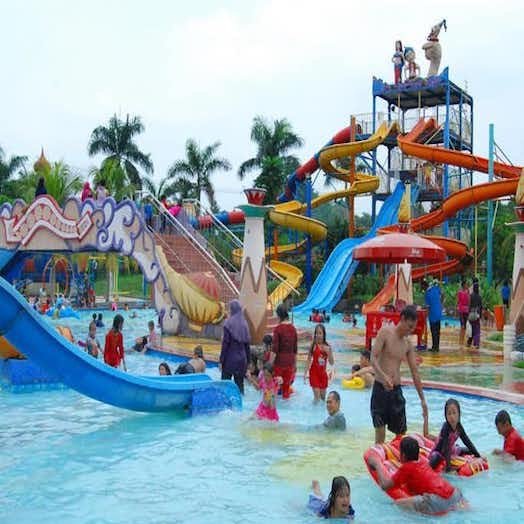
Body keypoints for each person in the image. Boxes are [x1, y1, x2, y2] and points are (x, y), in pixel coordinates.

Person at [370, 305, 428, 443]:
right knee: (380, 431)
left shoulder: (407, 344)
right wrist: (383, 376)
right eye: (409, 326)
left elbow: (415, 372)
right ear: (402, 319)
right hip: (380, 388)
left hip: (396, 391)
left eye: (413, 328)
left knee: (401, 433)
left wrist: (422, 399)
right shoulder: (385, 333)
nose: (411, 330)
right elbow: (373, 358)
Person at [367, 436, 467, 515]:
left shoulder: (406, 468)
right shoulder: (423, 463)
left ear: (403, 455)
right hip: (455, 494)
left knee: (397, 504)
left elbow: (384, 485)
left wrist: (377, 464)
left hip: (437, 501)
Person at [428, 398, 481, 471]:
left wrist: (478, 456)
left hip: (452, 450)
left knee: (469, 450)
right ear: (446, 416)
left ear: (459, 414)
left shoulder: (459, 427)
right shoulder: (445, 427)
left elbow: (467, 442)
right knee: (435, 459)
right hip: (440, 452)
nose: (452, 416)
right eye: (449, 414)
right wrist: (448, 467)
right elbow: (445, 448)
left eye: (454, 413)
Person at [220, 299, 250, 394]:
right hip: (242, 360)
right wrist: (248, 363)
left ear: (232, 310)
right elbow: (247, 346)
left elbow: (225, 345)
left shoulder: (228, 324)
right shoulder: (245, 324)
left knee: (224, 387)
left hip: (229, 359)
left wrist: (221, 361)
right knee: (240, 387)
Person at [270, 304, 298, 399]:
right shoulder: (293, 329)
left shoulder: (278, 329)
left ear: (279, 315)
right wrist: (295, 365)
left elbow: (274, 350)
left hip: (279, 363)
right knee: (286, 389)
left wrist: (269, 364)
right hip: (290, 362)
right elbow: (295, 350)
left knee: (275, 387)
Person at [304, 323, 334, 402]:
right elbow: (308, 360)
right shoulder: (313, 345)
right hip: (314, 374)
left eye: (320, 333)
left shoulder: (327, 346)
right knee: (317, 398)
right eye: (316, 333)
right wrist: (305, 373)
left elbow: (331, 362)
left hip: (323, 375)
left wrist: (329, 353)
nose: (318, 335)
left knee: (323, 398)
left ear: (324, 334)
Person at [425, 279, 443, 352]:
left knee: (433, 331)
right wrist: (440, 303)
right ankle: (436, 347)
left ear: (424, 286)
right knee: (437, 331)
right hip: (438, 313)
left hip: (432, 315)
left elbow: (428, 307)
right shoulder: (436, 288)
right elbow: (443, 294)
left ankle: (434, 347)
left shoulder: (427, 293)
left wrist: (426, 316)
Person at [467, 282, 482, 349]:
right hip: (477, 314)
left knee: (471, 329)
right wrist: (480, 315)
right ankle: (476, 344)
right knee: (477, 330)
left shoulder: (471, 296)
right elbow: (481, 307)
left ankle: (469, 342)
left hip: (471, 314)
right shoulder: (479, 297)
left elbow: (469, 305)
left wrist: (468, 313)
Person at [456, 280, 470, 346]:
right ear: (463, 285)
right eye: (466, 284)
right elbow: (458, 301)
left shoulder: (466, 292)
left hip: (464, 310)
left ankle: (462, 339)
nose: (467, 285)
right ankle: (461, 340)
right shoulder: (461, 292)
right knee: (463, 325)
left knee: (464, 325)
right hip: (462, 310)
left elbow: (468, 301)